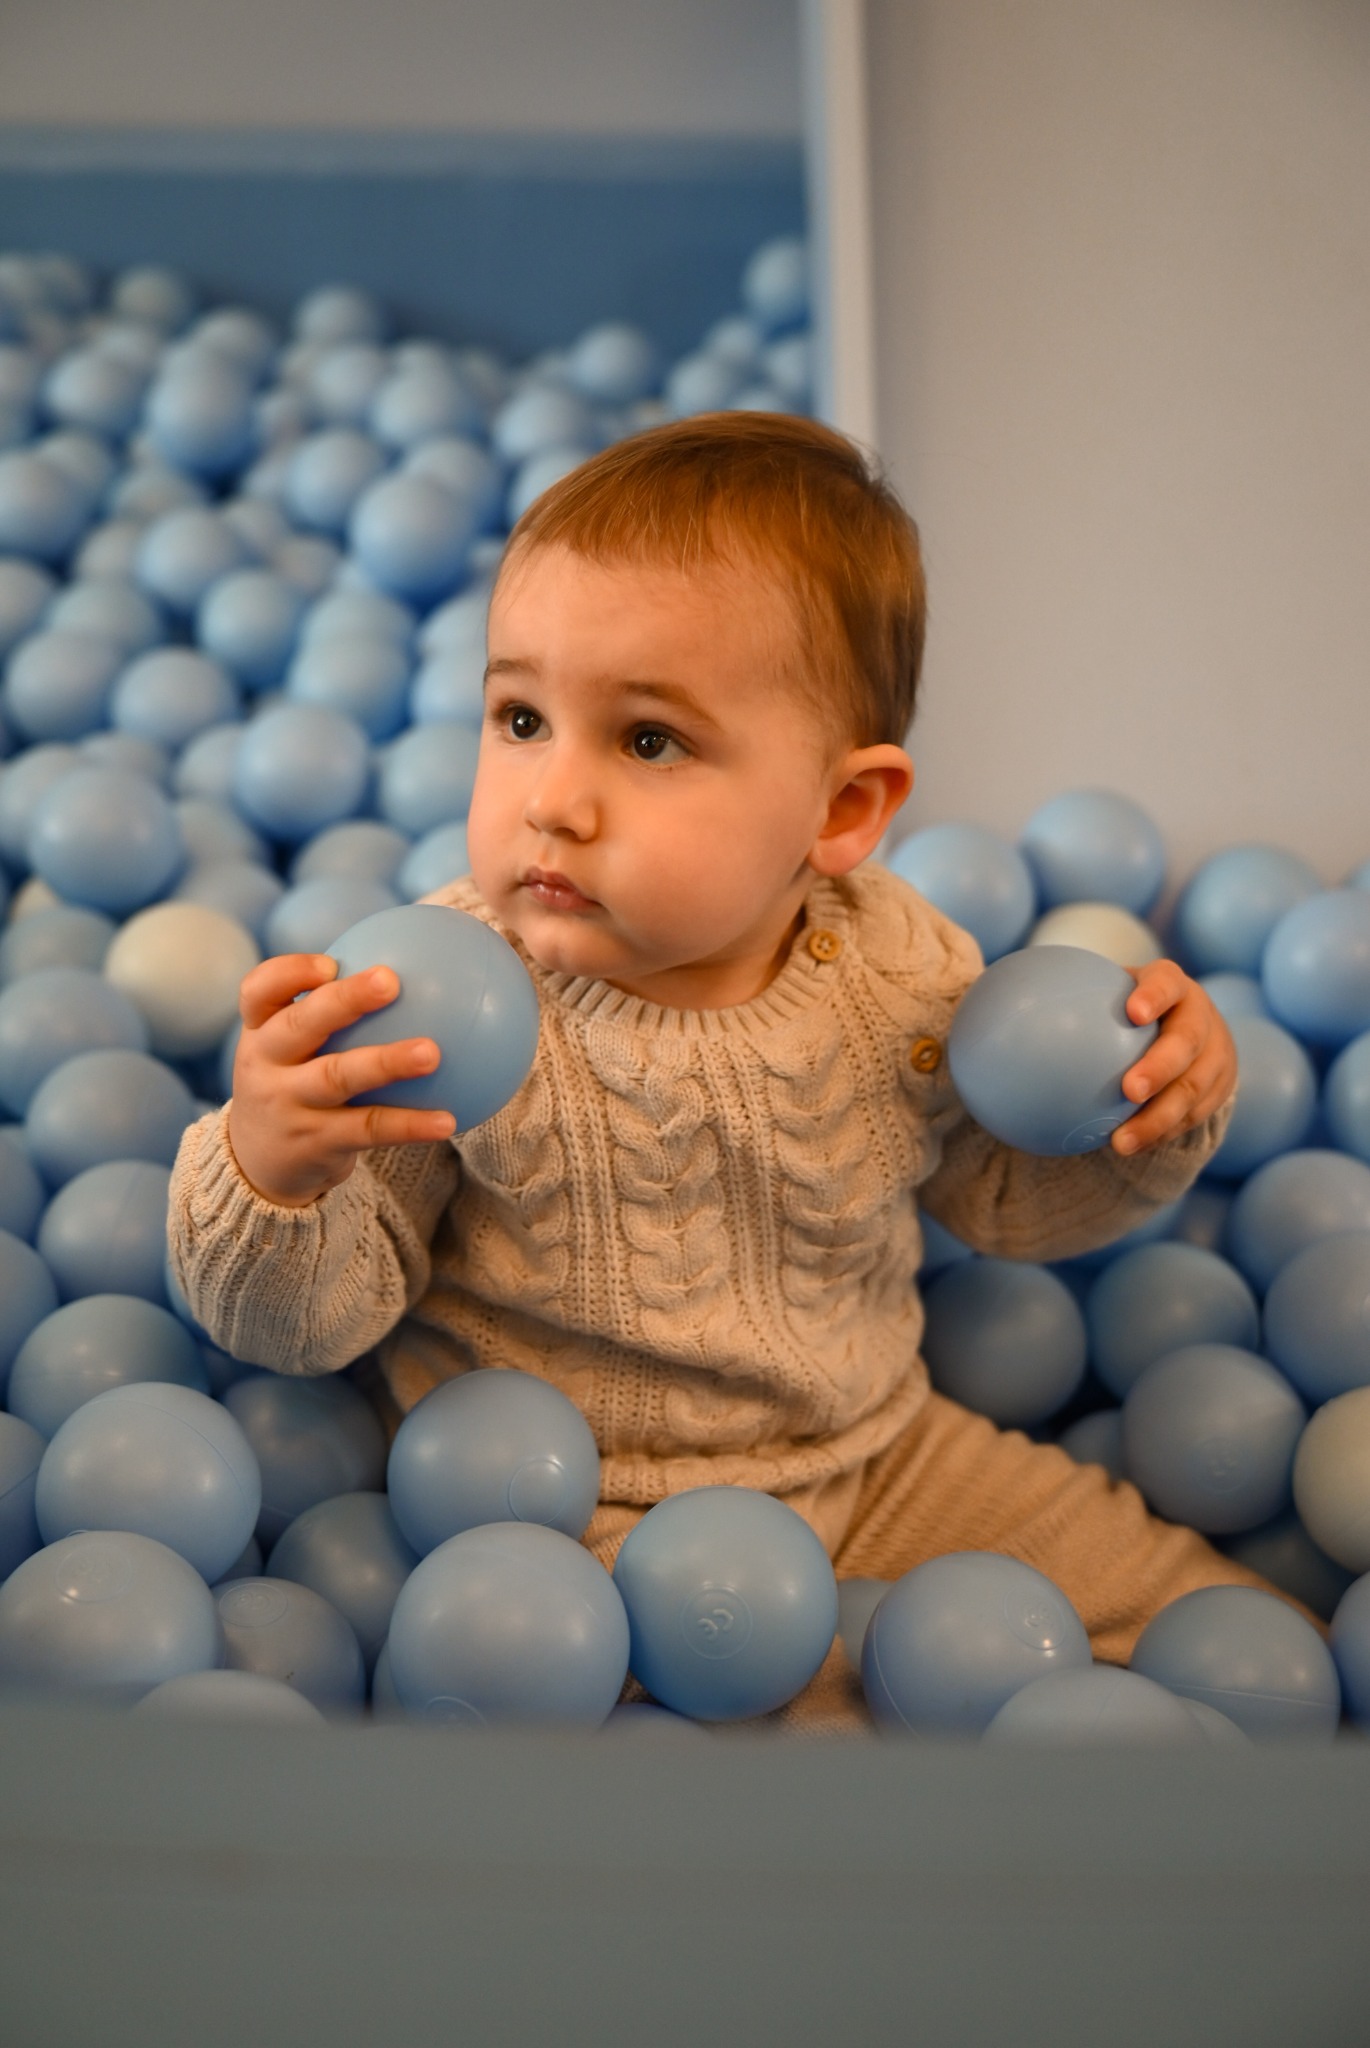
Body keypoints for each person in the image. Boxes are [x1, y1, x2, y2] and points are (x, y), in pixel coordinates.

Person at [170, 412, 1271, 1732]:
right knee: (781, 1740)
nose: (551, 800)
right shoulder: (440, 995)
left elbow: (998, 1202)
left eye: (646, 742)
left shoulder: (900, 976)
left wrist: (1142, 1108)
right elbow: (309, 1326)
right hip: (556, 1507)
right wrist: (271, 1168)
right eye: (520, 717)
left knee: (1228, 1640)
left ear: (840, 812)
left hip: (876, 1455)